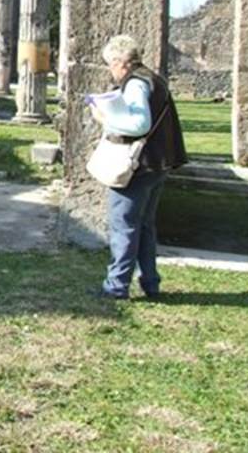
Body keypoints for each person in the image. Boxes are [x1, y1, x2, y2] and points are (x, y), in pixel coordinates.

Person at [90, 34, 187, 300]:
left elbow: (139, 124)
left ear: (122, 62)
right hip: (157, 164)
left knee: (124, 226)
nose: (111, 70)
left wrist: (104, 118)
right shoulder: (153, 79)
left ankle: (116, 286)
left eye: (111, 64)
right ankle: (150, 283)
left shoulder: (136, 84)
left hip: (138, 166)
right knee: (144, 226)